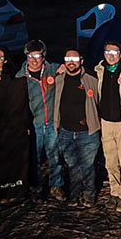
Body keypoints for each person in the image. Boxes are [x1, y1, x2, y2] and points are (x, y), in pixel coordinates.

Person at [16, 39, 64, 202]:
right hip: (34, 124)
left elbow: (68, 69)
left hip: (51, 122)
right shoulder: (21, 77)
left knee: (55, 156)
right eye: (30, 56)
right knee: (34, 158)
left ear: (43, 56)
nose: (34, 60)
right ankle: (35, 188)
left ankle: (56, 186)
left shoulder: (53, 69)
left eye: (37, 56)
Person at [53, 49, 101, 207]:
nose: (71, 62)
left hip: (87, 132)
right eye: (67, 58)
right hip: (65, 131)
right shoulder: (59, 79)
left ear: (81, 60)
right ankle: (75, 193)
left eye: (74, 58)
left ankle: (89, 194)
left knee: (87, 165)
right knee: (72, 165)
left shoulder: (91, 79)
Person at [94, 41, 121, 213]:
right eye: (107, 52)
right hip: (106, 122)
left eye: (115, 52)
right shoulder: (99, 71)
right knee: (110, 161)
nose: (111, 56)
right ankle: (114, 190)